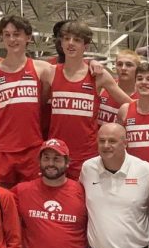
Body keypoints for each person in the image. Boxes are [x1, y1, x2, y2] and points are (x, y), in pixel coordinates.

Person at [47, 20, 133, 179]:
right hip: (57, 153)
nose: (71, 43)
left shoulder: (98, 75)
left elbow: (130, 105)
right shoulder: (49, 72)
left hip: (87, 156)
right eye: (66, 39)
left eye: (77, 40)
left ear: (85, 46)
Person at [0, 15, 50, 187]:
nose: (11, 39)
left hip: (32, 149)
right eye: (7, 34)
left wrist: (92, 64)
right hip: (0, 151)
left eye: (16, 34)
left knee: (30, 206)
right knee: (1, 205)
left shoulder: (42, 68)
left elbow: (71, 74)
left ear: (28, 37)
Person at [98, 49, 140, 125]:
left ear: (138, 69)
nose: (123, 68)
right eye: (120, 64)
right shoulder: (103, 86)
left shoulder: (143, 96)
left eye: (129, 65)